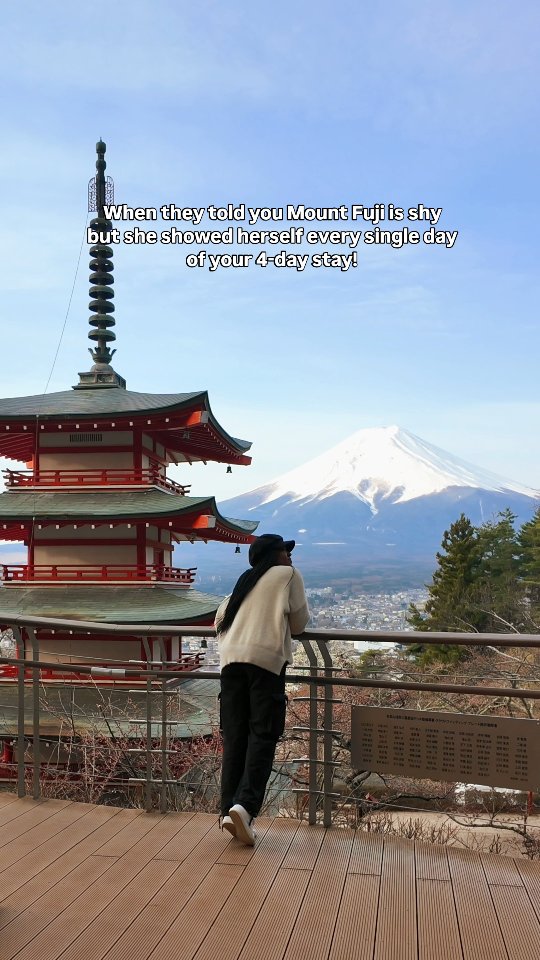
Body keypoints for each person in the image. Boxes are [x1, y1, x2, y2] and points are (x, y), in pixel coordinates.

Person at [215, 533, 310, 845]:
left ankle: (230, 809)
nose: (291, 557)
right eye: (286, 551)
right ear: (275, 555)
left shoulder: (243, 584)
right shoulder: (288, 576)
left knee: (236, 738)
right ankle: (245, 807)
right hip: (265, 665)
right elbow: (299, 625)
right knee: (263, 735)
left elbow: (220, 620)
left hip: (230, 665)